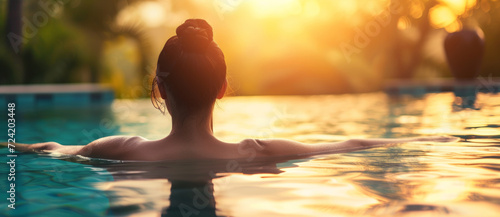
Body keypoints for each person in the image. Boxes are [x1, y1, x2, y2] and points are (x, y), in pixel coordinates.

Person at [5, 19, 459, 161]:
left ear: (158, 90)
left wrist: (8, 142)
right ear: (223, 88)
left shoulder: (123, 151)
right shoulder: (256, 153)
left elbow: (50, 147)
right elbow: (351, 142)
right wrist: (428, 138)